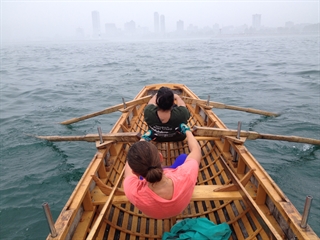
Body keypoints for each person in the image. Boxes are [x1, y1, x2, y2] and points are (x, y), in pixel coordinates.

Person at [123, 123, 201, 219]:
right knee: (183, 157)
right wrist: (188, 131)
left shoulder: (133, 191)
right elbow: (196, 150)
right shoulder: (186, 174)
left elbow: (128, 168)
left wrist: (143, 139)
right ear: (161, 157)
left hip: (154, 212)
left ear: (135, 172)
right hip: (179, 207)